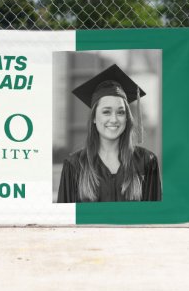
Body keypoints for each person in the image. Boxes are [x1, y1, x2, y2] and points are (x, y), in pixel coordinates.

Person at [57, 64, 161, 203]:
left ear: (127, 118)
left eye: (120, 112)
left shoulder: (146, 162)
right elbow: (67, 218)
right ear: (94, 117)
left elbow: (154, 217)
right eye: (106, 112)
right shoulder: (75, 166)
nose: (114, 119)